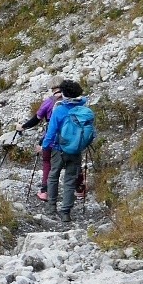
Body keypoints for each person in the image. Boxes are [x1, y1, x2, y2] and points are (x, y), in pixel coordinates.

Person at [41, 79, 96, 221]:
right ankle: (66, 212)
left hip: (59, 149)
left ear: (64, 94)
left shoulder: (59, 110)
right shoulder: (84, 109)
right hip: (76, 150)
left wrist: (45, 147)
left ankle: (51, 206)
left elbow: (51, 133)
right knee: (70, 180)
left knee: (53, 176)